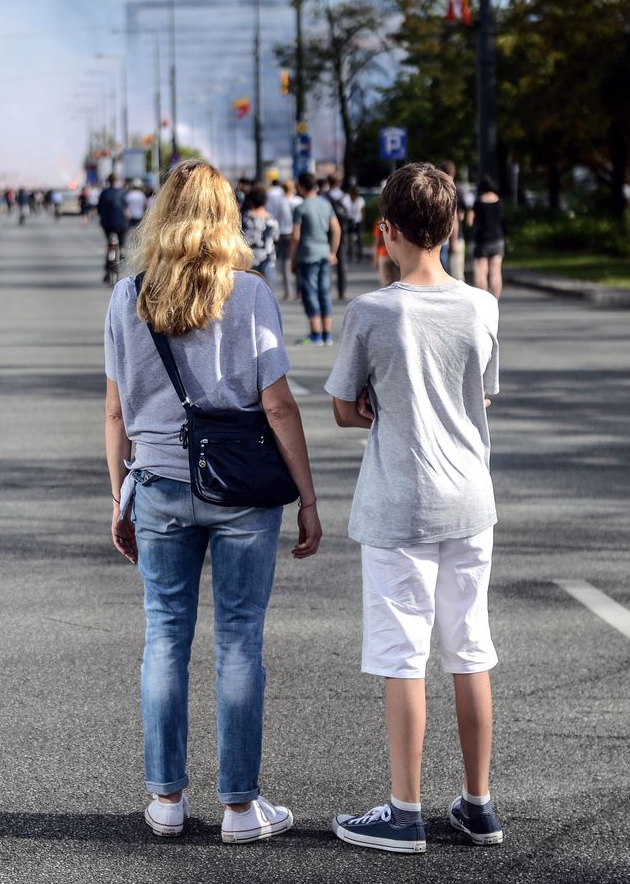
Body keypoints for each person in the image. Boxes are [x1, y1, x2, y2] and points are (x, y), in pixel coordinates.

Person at [103, 160, 322, 844]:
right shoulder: (250, 294)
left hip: (159, 485)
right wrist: (308, 499)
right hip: (241, 491)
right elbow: (278, 406)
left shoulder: (127, 295)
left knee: (164, 636)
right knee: (239, 642)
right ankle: (238, 809)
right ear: (226, 217)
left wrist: (120, 497)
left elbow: (115, 412)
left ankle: (166, 801)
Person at [325, 162, 504, 855]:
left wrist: (373, 403)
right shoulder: (481, 307)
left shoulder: (372, 311)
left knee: (404, 654)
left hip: (400, 501)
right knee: (470, 649)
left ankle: (404, 810)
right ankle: (479, 804)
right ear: (454, 226)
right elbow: (480, 394)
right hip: (469, 498)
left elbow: (345, 406)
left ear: (385, 233)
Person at [289, 172, 341, 346]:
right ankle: (327, 334)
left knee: (310, 292)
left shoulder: (300, 208)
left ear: (302, 187)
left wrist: (292, 259)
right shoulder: (326, 205)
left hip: (307, 255)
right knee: (324, 292)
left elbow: (296, 237)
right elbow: (336, 229)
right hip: (324, 253)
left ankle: (315, 333)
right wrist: (333, 251)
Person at [468, 176, 505, 299]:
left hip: (482, 240)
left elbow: (470, 221)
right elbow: (502, 220)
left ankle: (483, 300)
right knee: (495, 272)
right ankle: (495, 301)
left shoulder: (478, 202)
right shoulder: (499, 201)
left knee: (481, 271)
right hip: (497, 239)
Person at [241, 182, 280, 283]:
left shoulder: (244, 219)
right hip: (268, 259)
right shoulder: (272, 220)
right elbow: (276, 237)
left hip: (249, 261)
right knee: (267, 292)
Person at [97, 173, 131, 283]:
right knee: (121, 242)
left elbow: (99, 210)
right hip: (120, 224)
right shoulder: (121, 193)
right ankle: (121, 250)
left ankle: (107, 270)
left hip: (107, 224)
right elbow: (126, 210)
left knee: (109, 245)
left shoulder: (104, 193)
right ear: (116, 181)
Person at [268, 179, 295, 301]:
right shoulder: (298, 200)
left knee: (285, 263)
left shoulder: (281, 202)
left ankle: (288, 291)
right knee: (298, 262)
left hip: (284, 234)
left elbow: (275, 218)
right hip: (296, 233)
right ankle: (299, 291)